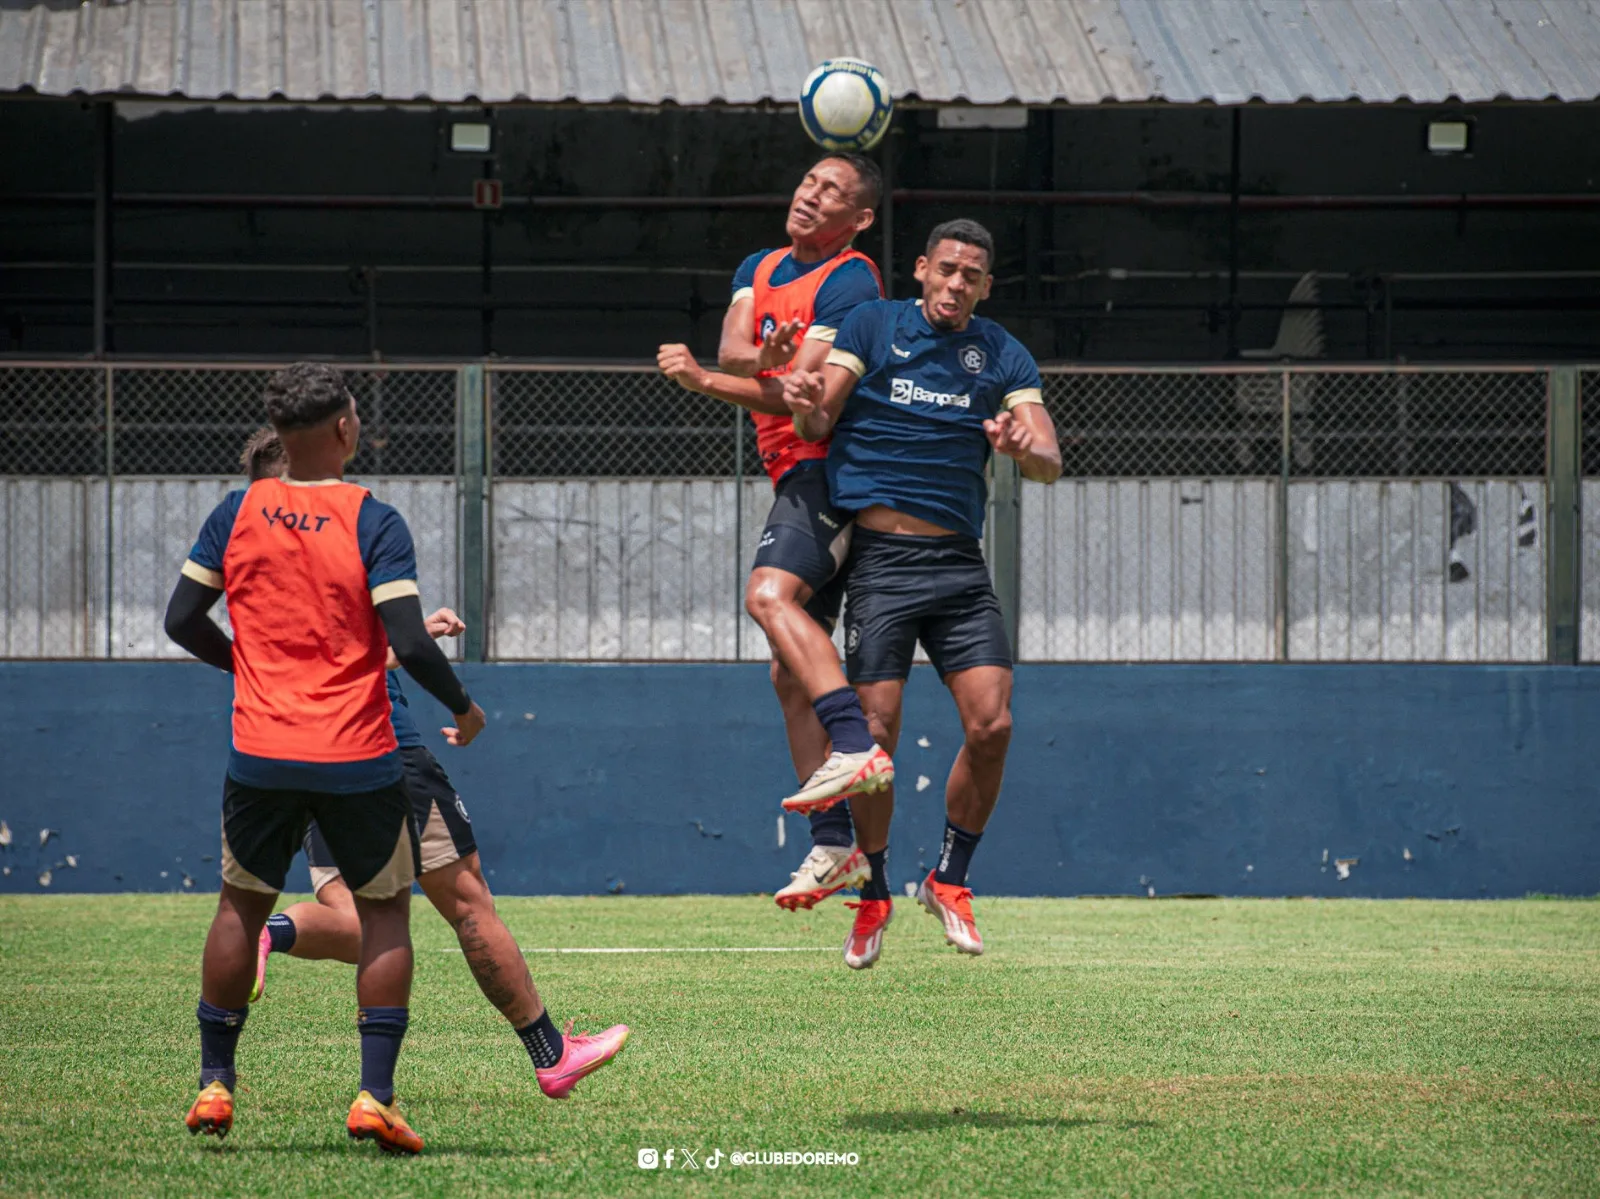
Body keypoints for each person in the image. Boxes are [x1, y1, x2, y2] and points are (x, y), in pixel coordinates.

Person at [236, 428, 629, 1108]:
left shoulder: (255, 562)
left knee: (359, 922)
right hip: (383, 749)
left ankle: (267, 933)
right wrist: (458, 698)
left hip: (300, 752)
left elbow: (317, 660)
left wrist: (400, 642)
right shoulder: (353, 535)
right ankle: (551, 1055)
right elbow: (370, 652)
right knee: (468, 900)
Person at [163, 363, 489, 1153]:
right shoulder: (372, 518)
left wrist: (247, 668)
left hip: (262, 751)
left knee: (240, 904)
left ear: (280, 434)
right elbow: (409, 639)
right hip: (358, 752)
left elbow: (181, 618)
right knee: (382, 914)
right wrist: (464, 707)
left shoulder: (235, 513)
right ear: (346, 428)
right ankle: (374, 1096)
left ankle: (214, 1081)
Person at [783, 219, 1063, 969]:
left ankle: (949, 878)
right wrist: (806, 397)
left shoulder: (1000, 352)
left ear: (985, 285)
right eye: (946, 269)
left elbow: (1049, 459)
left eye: (971, 274)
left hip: (959, 565)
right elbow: (818, 415)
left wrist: (1020, 444)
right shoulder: (873, 323)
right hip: (880, 562)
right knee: (874, 740)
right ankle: (872, 891)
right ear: (921, 270)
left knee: (993, 724)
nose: (956, 284)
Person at [656, 153, 892, 911]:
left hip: (836, 471)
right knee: (785, 673)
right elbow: (741, 355)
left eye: (833, 192)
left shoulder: (852, 277)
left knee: (767, 594)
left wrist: (706, 380)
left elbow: (801, 391)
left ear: (859, 219)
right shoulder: (758, 265)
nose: (809, 194)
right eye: (808, 181)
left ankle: (854, 745)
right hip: (794, 474)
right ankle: (834, 843)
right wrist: (748, 364)